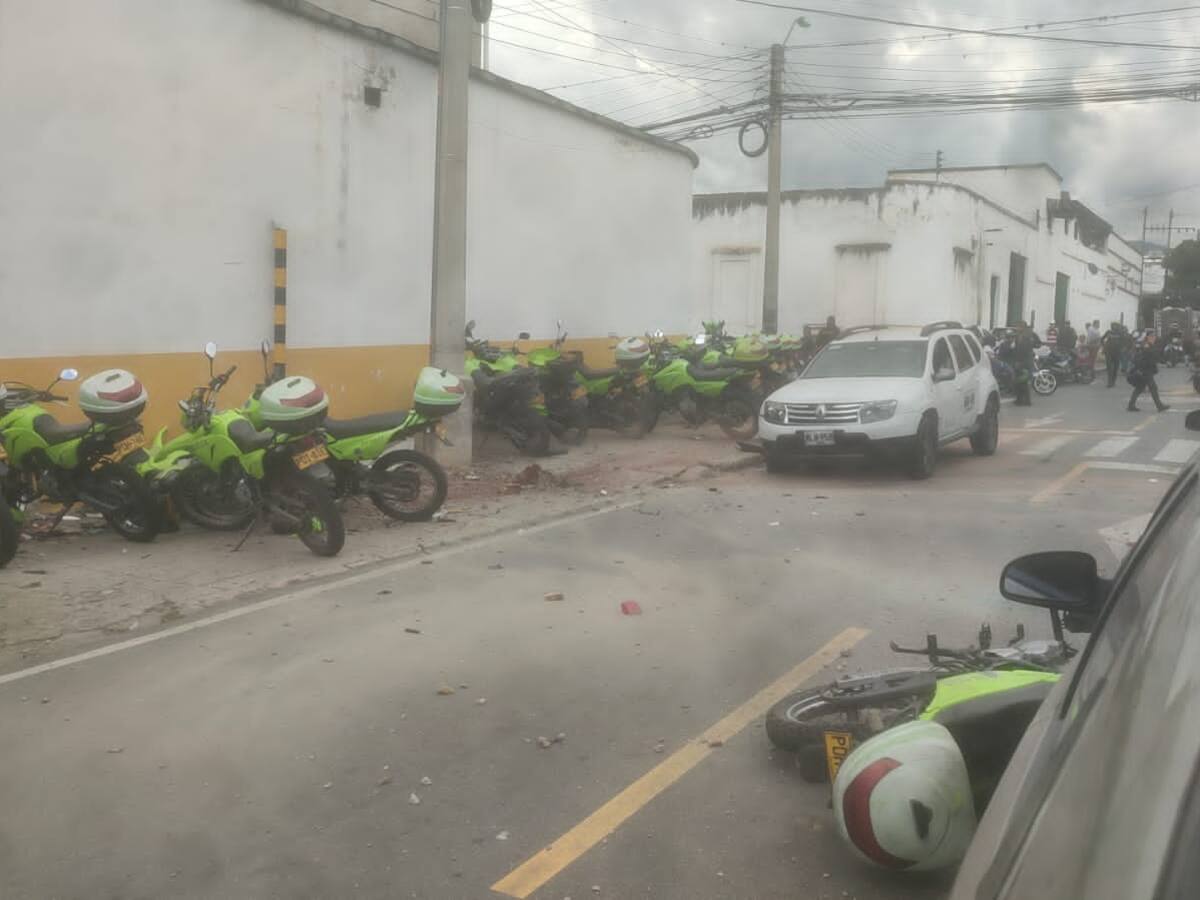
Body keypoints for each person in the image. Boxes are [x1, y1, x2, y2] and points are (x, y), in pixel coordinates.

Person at [1128, 332, 1170, 412]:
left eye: (1154, 336)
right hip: (1145, 370)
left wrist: (1163, 361)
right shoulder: (1146, 345)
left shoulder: (1150, 345)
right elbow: (1151, 356)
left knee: (1140, 388)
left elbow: (1155, 356)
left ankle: (1131, 405)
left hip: (1147, 369)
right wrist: (1163, 361)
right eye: (1151, 336)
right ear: (1147, 337)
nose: (1153, 338)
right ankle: (1159, 406)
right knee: (1153, 388)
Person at [1012, 321, 1037, 406]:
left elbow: (1024, 350)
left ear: (1023, 327)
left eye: (1019, 326)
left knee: (1023, 381)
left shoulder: (1027, 337)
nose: (1017, 328)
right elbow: (1017, 348)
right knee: (1019, 381)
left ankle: (1025, 400)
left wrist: (1020, 362)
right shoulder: (1018, 336)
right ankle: (1020, 399)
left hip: (1024, 361)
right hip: (1020, 360)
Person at [1101, 321, 1124, 388]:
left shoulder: (1120, 333)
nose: (1114, 326)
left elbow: (1124, 341)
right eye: (1112, 325)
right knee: (1109, 367)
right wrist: (1104, 345)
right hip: (1108, 352)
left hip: (1117, 352)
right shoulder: (1108, 332)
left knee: (1116, 368)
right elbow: (1102, 339)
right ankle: (1109, 382)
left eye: (1115, 325)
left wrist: (1122, 348)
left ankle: (1113, 381)